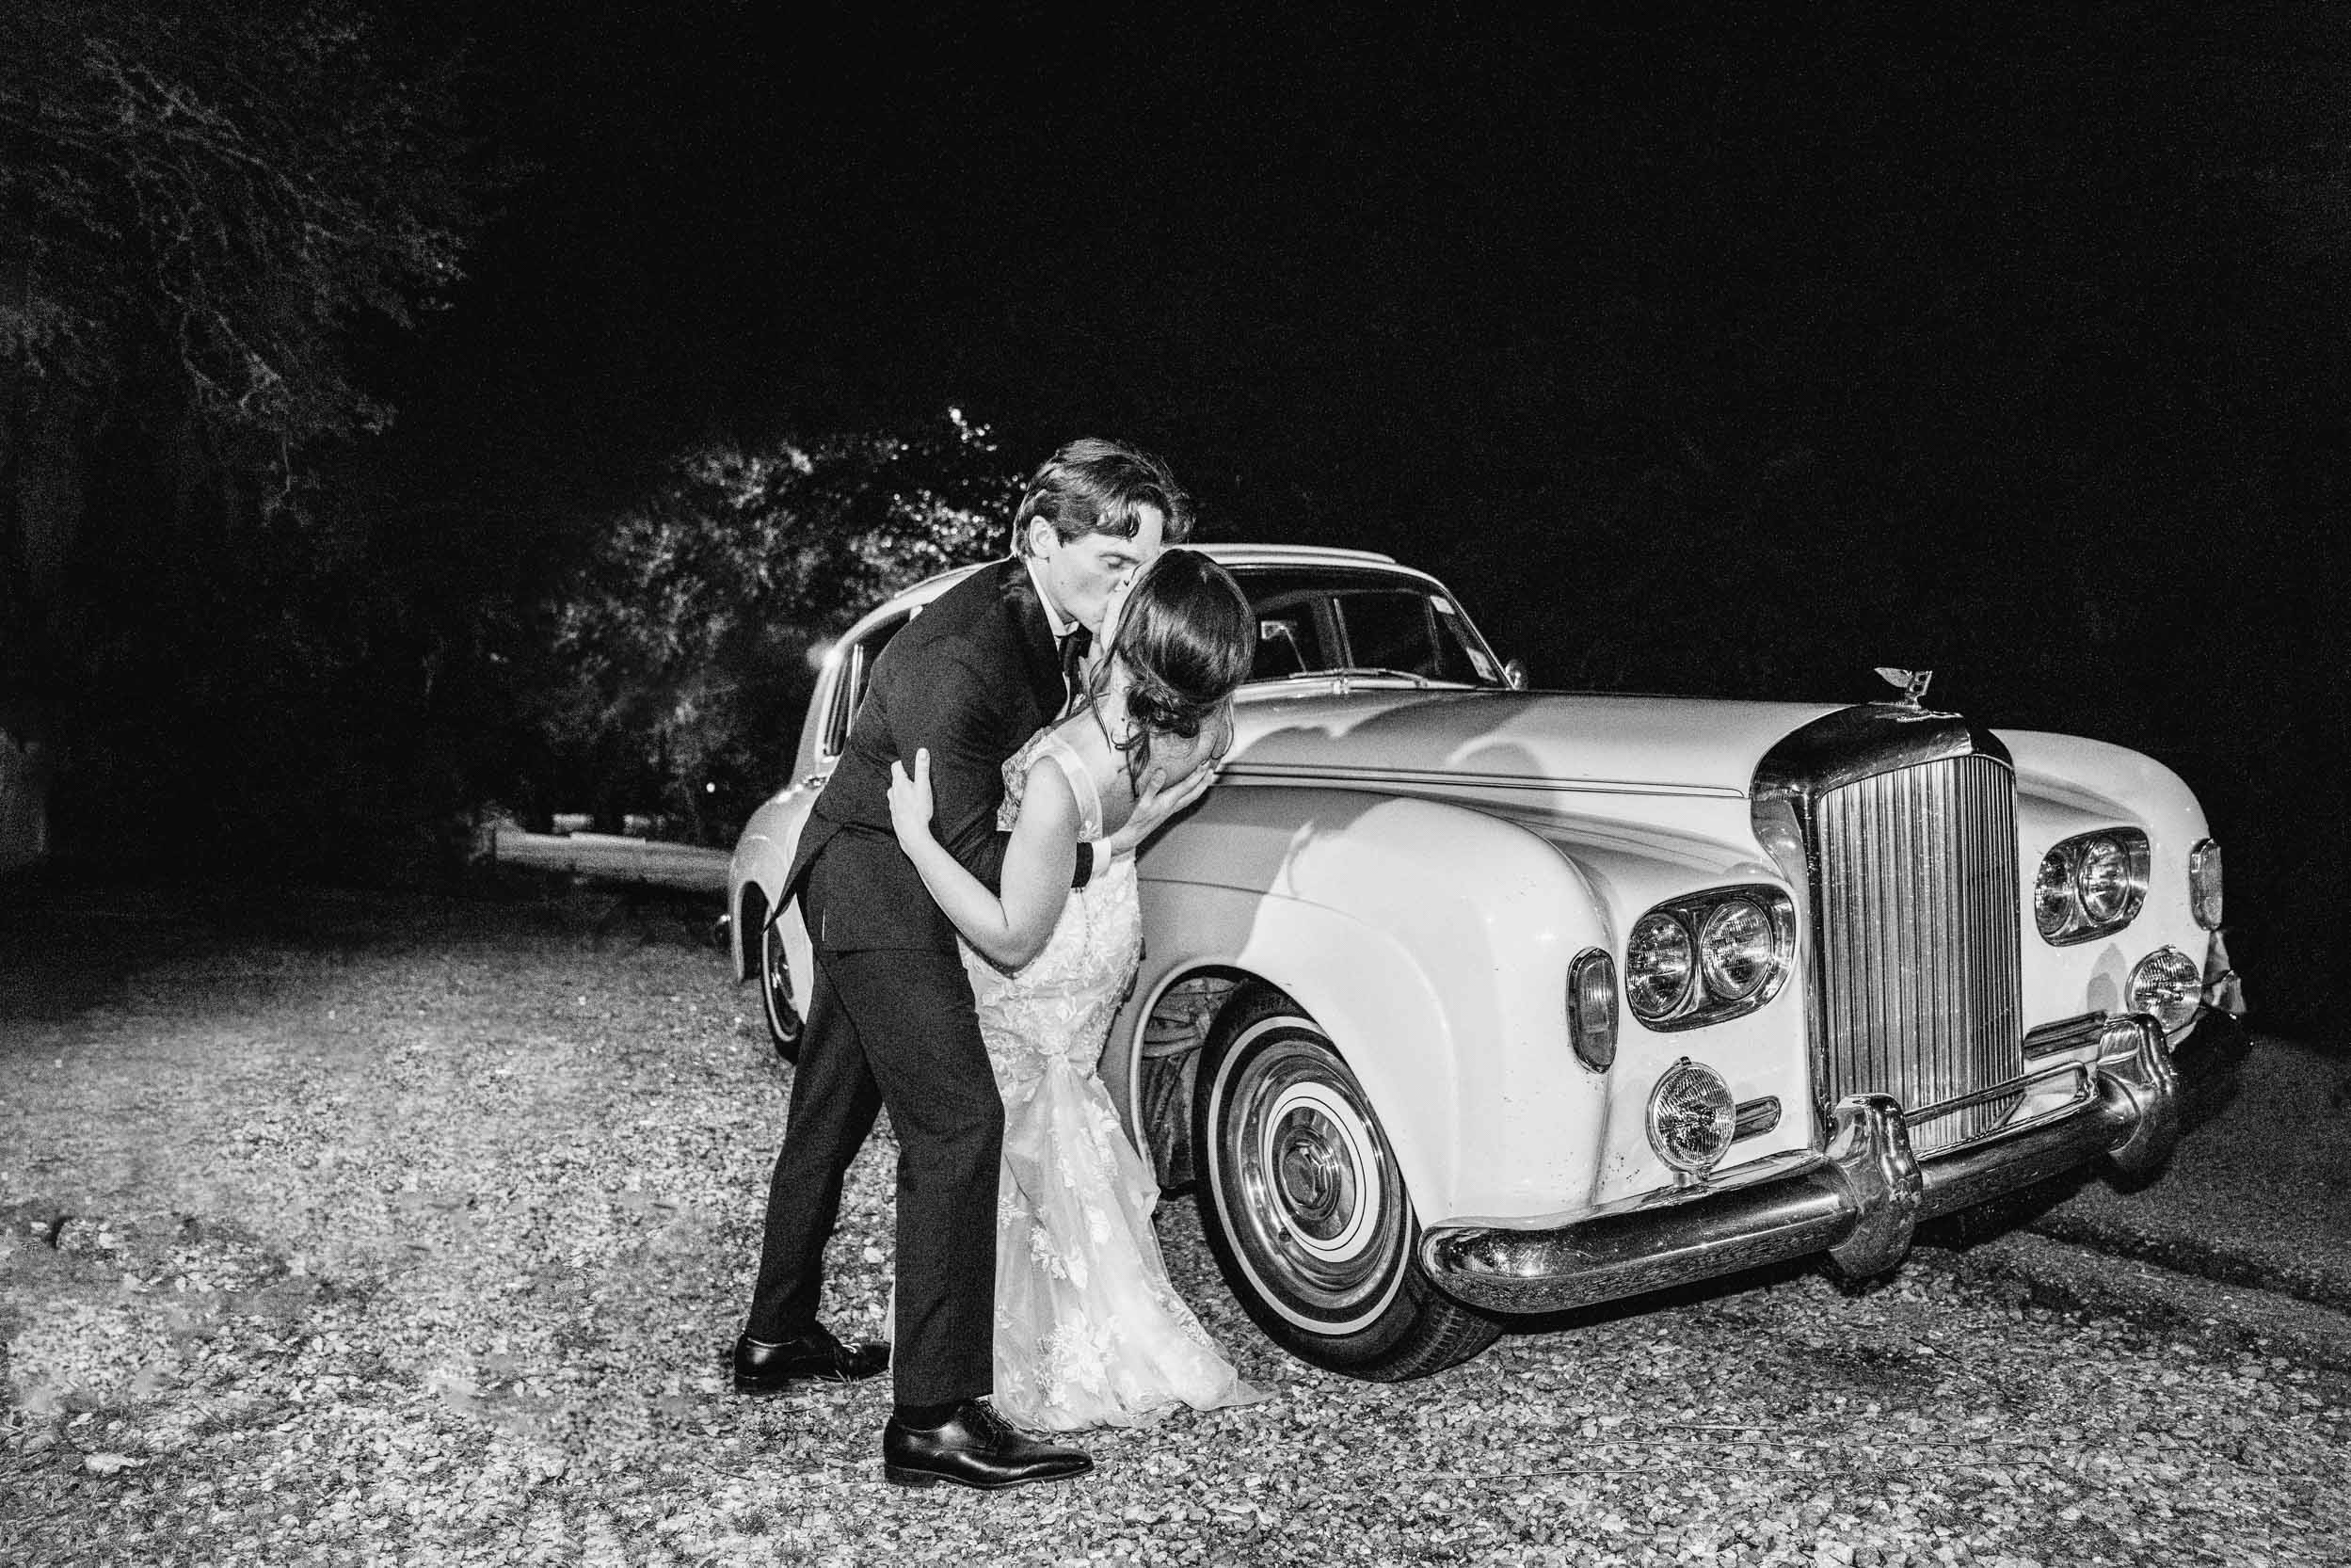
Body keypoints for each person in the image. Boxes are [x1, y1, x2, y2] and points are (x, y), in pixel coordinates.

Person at [734, 439, 1210, 1493]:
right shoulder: (966, 658)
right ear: (1038, 542)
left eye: (1147, 569)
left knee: (831, 1106)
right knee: (959, 1123)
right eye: (1114, 567)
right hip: (877, 875)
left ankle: (775, 1338)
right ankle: (933, 1419)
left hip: (883, 859)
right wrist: (1102, 844)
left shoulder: (1046, 616)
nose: (1130, 595)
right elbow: (984, 871)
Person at [886, 548, 1266, 1432]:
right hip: (1109, 932)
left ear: (1135, 638)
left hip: (1050, 951)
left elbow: (1012, 934)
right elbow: (1151, 814)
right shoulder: (1210, 727)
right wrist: (1119, 841)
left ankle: (1043, 1350)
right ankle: (1107, 1317)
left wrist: (919, 841)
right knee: (1067, 1109)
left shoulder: (1063, 771)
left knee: (1023, 1127)